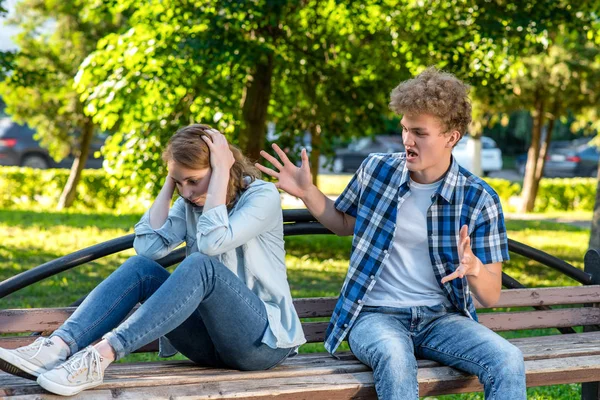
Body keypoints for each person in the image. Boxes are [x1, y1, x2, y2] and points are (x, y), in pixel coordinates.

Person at [257, 67, 526, 399]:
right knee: (396, 359)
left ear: (451, 137)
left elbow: (490, 295)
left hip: (440, 319)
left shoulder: (478, 199)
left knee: (508, 359)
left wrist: (474, 269)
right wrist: (308, 191)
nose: (407, 141)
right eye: (404, 129)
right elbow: (344, 224)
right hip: (374, 316)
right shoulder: (377, 170)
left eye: (419, 133)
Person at [0, 124, 305, 396]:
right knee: (142, 269)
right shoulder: (190, 203)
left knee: (201, 265)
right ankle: (58, 347)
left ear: (221, 168)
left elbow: (213, 243)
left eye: (193, 181)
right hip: (209, 346)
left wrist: (221, 173)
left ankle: (100, 357)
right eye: (179, 182)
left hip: (261, 344)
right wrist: (171, 182)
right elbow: (147, 248)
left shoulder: (262, 197)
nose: (186, 192)